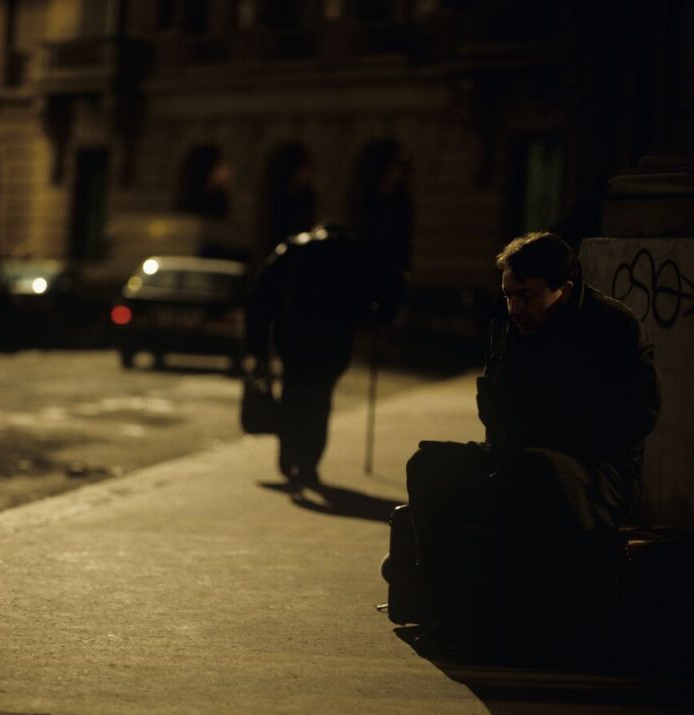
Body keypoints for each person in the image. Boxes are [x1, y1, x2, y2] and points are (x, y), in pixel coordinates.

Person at [401, 231, 661, 662]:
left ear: (565, 290)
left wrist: (555, 432)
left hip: (596, 474)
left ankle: (506, 627)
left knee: (532, 473)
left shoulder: (612, 326)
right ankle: (443, 615)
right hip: (518, 457)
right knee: (428, 464)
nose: (514, 308)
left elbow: (639, 415)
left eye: (526, 296)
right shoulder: (507, 325)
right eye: (508, 295)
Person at [246, 222, 404, 490]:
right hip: (334, 340)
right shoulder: (356, 253)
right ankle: (309, 462)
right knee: (320, 399)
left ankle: (289, 455)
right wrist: (375, 319)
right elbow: (395, 284)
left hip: (294, 338)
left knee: (293, 394)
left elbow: (260, 295)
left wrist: (258, 344)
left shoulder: (293, 249)